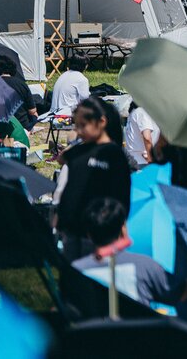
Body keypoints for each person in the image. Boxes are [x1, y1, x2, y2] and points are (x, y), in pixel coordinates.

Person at [71, 197, 187, 311]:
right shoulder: (146, 266)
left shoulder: (75, 271)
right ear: (123, 228)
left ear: (89, 235)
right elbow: (178, 293)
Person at [54, 96, 131, 260]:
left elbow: (121, 194)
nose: (79, 131)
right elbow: (62, 159)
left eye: (83, 126)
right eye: (76, 126)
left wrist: (119, 226)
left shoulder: (113, 154)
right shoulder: (80, 150)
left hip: (97, 228)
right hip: (72, 225)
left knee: (92, 277)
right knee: (72, 272)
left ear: (101, 122)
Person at [123, 102, 158, 170]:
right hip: (142, 161)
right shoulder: (142, 112)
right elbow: (147, 137)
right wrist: (150, 159)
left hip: (132, 159)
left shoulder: (134, 112)